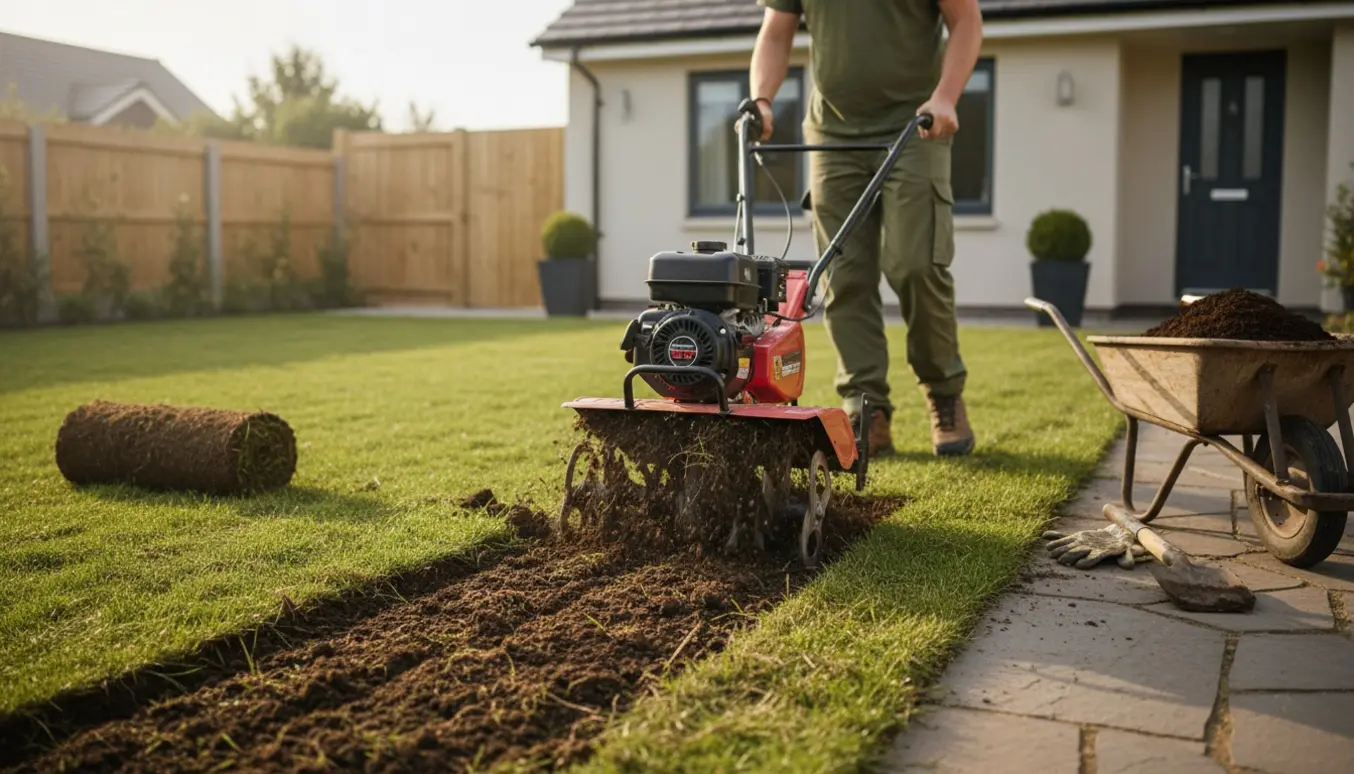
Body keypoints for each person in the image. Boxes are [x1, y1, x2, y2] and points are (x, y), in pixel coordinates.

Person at [747, 0, 983, 457]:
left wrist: (947, 95)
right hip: (832, 134)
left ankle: (944, 392)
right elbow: (776, 32)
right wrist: (762, 98)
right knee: (844, 274)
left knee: (916, 264)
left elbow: (966, 20)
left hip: (916, 126)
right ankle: (865, 406)